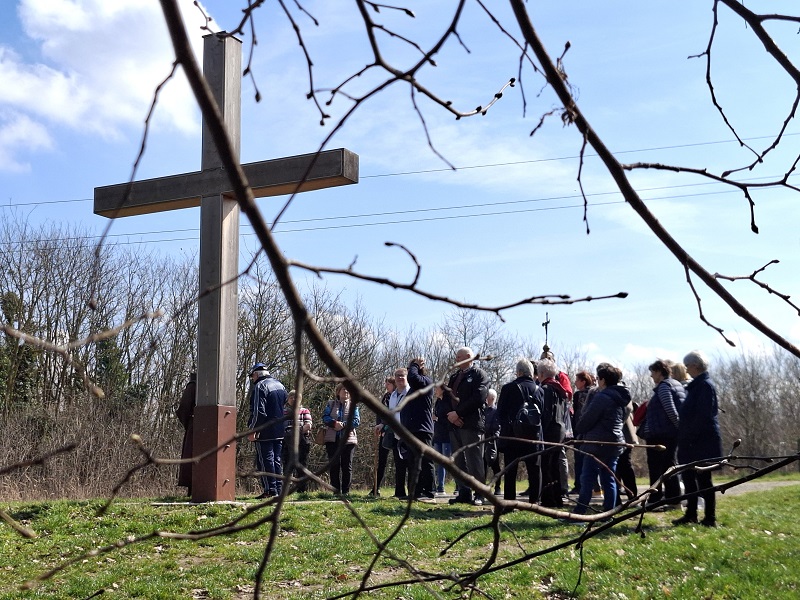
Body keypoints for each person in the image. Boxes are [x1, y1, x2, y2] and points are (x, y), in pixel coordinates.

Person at [571, 363, 629, 515]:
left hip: (597, 443)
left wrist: (579, 428)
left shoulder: (602, 397)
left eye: (598, 378)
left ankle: (580, 512)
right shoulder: (620, 397)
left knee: (587, 478)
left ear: (603, 380)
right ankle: (609, 512)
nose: (596, 381)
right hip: (615, 442)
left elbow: (588, 418)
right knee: (609, 479)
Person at [673, 350, 722, 527]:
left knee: (703, 480)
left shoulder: (705, 386)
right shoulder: (696, 386)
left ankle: (710, 517)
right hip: (690, 440)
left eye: (688, 367)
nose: (686, 370)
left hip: (701, 441)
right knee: (688, 477)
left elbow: (703, 416)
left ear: (695, 366)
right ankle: (691, 513)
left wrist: (691, 436)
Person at [447, 346, 490, 506]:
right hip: (454, 425)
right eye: (456, 357)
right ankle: (464, 492)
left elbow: (478, 397)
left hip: (471, 424)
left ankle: (480, 493)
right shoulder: (454, 377)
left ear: (469, 358)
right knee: (458, 461)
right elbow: (446, 397)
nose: (457, 360)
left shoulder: (479, 375)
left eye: (459, 357)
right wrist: (451, 416)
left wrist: (459, 413)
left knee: (474, 460)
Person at [497, 358, 542, 506]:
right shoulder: (539, 390)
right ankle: (534, 502)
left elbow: (500, 414)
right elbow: (544, 415)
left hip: (513, 436)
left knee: (511, 470)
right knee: (534, 470)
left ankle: (510, 503)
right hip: (533, 436)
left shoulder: (508, 388)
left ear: (519, 372)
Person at [643, 359, 685, 509]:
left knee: (658, 468)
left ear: (659, 372)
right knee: (670, 466)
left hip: (661, 434)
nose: (651, 376)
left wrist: (679, 428)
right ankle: (673, 500)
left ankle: (656, 500)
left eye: (653, 372)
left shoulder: (663, 387)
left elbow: (671, 410)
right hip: (668, 433)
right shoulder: (676, 384)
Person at [247, 362, 288, 499]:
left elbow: (259, 412)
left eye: (252, 376)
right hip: (279, 428)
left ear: (256, 374)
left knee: (265, 460)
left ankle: (270, 490)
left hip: (265, 430)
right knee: (277, 459)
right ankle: (278, 489)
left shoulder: (260, 386)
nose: (252, 379)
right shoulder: (280, 385)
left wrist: (253, 429)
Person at [402, 357, 437, 500]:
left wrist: (415, 364)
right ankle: (414, 492)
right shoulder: (413, 389)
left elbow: (413, 378)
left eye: (411, 370)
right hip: (412, 429)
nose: (410, 373)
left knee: (426, 460)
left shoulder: (426, 382)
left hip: (423, 429)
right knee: (413, 461)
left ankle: (429, 492)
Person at [536, 358, 569, 508]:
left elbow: (546, 413)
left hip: (549, 432)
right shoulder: (559, 390)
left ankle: (549, 500)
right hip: (560, 431)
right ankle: (558, 498)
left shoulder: (545, 390)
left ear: (541, 374)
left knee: (547, 466)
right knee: (555, 466)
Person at [322, 383, 361, 495]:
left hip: (348, 440)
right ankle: (335, 490)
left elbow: (356, 421)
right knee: (334, 465)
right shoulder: (331, 404)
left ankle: (346, 491)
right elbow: (325, 417)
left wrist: (343, 424)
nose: (346, 391)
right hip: (332, 439)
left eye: (348, 390)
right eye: (344, 389)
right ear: (338, 392)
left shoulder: (354, 405)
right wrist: (334, 423)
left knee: (347, 465)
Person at [569, 371, 595, 495]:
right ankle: (593, 486)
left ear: (583, 381)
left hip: (581, 431)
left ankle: (579, 485)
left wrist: (576, 430)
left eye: (577, 380)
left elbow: (578, 414)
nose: (575, 382)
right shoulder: (595, 392)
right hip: (591, 432)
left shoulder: (579, 395)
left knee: (579, 459)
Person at [282, 389, 313, 493]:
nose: (293, 399)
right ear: (288, 399)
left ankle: (302, 489)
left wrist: (297, 432)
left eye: (296, 397)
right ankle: (286, 490)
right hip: (286, 441)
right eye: (291, 397)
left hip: (302, 441)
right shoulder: (284, 411)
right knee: (287, 465)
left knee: (302, 465)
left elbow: (308, 425)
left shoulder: (305, 411)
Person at [614, 380, 638, 504]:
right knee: (617, 468)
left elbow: (628, 409)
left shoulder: (620, 392)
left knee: (624, 466)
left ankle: (632, 496)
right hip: (621, 435)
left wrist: (616, 425)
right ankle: (617, 498)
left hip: (624, 435)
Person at [371, 376, 395, 496]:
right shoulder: (385, 397)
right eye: (386, 383)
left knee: (399, 459)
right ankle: (376, 488)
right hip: (383, 432)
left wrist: (385, 425)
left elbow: (392, 414)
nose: (386, 385)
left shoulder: (396, 396)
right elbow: (380, 413)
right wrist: (379, 426)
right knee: (381, 461)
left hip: (393, 431)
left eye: (389, 384)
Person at [388, 368, 411, 498]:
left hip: (408, 434)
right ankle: (399, 492)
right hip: (396, 434)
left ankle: (412, 492)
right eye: (397, 376)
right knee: (399, 465)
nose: (400, 378)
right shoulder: (393, 395)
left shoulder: (410, 392)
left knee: (411, 465)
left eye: (402, 376)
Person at [176, 372, 196, 497]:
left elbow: (183, 408)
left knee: (191, 454)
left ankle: (192, 488)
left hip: (194, 426)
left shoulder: (193, 385)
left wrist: (189, 424)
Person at [432, 384, 453, 494]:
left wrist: (438, 418)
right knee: (439, 461)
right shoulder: (438, 402)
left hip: (446, 435)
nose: (435, 390)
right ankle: (440, 486)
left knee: (447, 462)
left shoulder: (447, 402)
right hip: (438, 435)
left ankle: (458, 486)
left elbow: (449, 419)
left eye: (437, 389)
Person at [483, 388, 502, 495]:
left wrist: (494, 437)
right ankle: (483, 487)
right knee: (483, 465)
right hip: (483, 441)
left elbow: (498, 426)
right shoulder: (484, 410)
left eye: (487, 397)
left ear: (492, 398)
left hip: (493, 442)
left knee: (495, 466)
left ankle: (498, 486)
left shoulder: (496, 411)